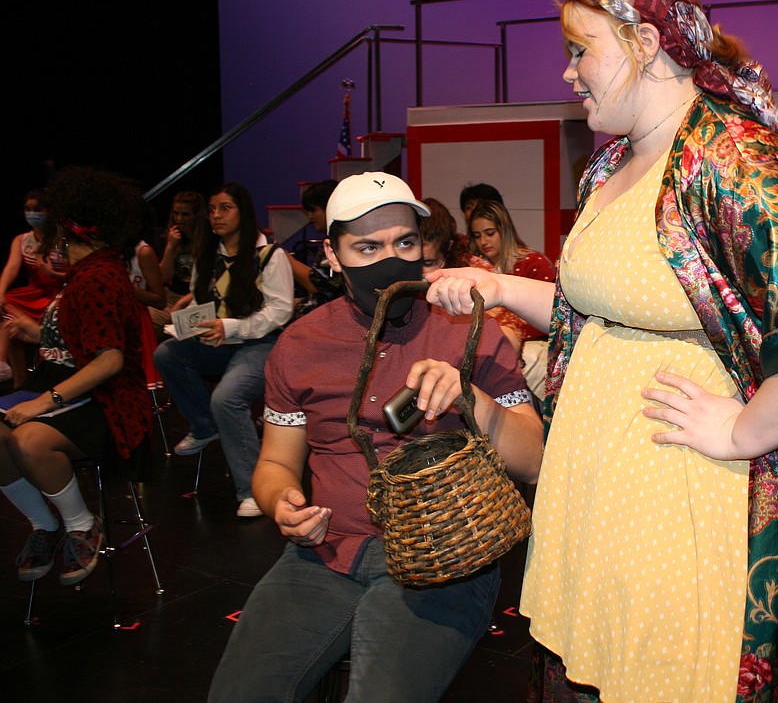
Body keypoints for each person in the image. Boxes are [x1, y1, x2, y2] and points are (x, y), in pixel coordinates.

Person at [426, 0, 778, 702]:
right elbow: (597, 315)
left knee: (670, 676)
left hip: (679, 492)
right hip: (599, 482)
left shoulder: (728, 155)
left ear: (644, 43)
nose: (569, 73)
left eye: (581, 50)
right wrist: (498, 285)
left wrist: (744, 430)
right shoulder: (611, 163)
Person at [207, 171, 543, 702]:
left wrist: (469, 395)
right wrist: (282, 506)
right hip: (322, 556)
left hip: (443, 560)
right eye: (367, 247)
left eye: (404, 242)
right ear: (333, 255)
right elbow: (274, 465)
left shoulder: (469, 331)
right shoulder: (300, 345)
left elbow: (533, 463)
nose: (390, 260)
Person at [0, 167, 152, 586]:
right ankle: (44, 526)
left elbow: (108, 362)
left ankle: (80, 524)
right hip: (69, 381)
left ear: (66, 231)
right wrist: (35, 332)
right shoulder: (86, 273)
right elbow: (79, 336)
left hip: (107, 400)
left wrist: (40, 403)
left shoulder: (98, 277)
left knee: (28, 441)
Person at [153, 182, 294, 518]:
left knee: (226, 397)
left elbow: (280, 311)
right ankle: (205, 426)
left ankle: (252, 489)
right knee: (167, 353)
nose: (216, 215)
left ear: (243, 212)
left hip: (258, 343)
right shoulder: (207, 253)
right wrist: (188, 323)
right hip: (216, 339)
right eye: (213, 209)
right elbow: (202, 300)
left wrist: (233, 327)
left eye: (225, 208)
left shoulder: (269, 255)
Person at [467, 199, 556, 398]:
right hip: (493, 347)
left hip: (535, 349)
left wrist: (511, 327)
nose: (483, 242)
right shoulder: (474, 267)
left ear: (504, 230)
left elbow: (555, 316)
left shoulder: (534, 263)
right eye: (477, 236)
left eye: (490, 233)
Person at [0, 189, 69, 384]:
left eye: (37, 209)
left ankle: (38, 335)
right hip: (35, 293)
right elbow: (11, 268)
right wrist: (0, 292)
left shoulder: (65, 240)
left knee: (14, 324)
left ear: (50, 211)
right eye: (28, 209)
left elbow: (80, 273)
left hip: (62, 293)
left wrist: (53, 274)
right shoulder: (22, 240)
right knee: (6, 311)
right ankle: (9, 371)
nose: (32, 214)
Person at [152, 191, 206, 335]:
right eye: (176, 213)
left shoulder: (208, 239)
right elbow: (163, 278)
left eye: (185, 214)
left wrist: (182, 303)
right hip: (171, 296)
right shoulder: (174, 237)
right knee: (142, 317)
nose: (179, 219)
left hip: (196, 298)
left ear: (196, 215)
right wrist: (170, 247)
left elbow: (209, 281)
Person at [289, 178, 343, 315]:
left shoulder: (337, 241)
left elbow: (317, 284)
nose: (310, 216)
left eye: (313, 210)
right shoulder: (333, 238)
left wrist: (282, 256)